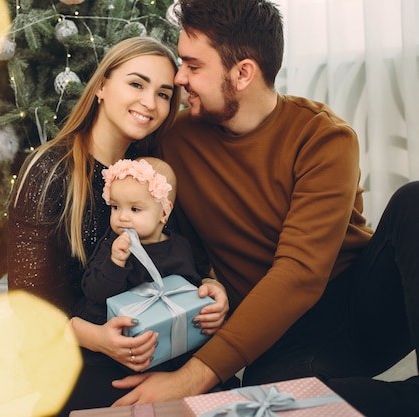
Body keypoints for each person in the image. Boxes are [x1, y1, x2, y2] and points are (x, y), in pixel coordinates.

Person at [111, 1, 419, 416]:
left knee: (413, 201)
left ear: (243, 73)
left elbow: (300, 274)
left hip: (359, 303)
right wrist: (208, 286)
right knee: (268, 408)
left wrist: (195, 375)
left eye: (193, 66)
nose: (179, 77)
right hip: (280, 337)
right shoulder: (175, 142)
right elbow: (176, 242)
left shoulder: (323, 138)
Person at [6, 36, 229, 415]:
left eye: (162, 94)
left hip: (151, 342)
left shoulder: (152, 170)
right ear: (102, 87)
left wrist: (211, 289)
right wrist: (98, 339)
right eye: (136, 83)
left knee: (220, 392)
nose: (149, 103)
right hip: (75, 351)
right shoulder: (50, 171)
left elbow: (184, 256)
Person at [74, 157, 205, 327]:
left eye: (135, 209)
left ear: (164, 213)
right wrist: (116, 262)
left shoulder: (179, 247)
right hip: (112, 326)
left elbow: (188, 287)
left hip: (161, 324)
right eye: (115, 207)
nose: (122, 217)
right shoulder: (112, 247)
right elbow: (95, 295)